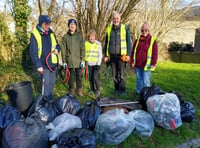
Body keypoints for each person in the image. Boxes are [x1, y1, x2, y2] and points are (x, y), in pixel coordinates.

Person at [29, 15, 61, 100]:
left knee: (51, 82)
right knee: (45, 84)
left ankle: (50, 98)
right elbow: (33, 52)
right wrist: (38, 65)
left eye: (49, 24)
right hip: (43, 64)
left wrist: (57, 49)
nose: (48, 25)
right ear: (41, 24)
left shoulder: (51, 33)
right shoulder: (35, 34)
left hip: (52, 64)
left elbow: (57, 45)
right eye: (46, 24)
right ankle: (45, 101)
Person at [104, 11, 132, 96]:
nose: (116, 20)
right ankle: (116, 89)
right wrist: (105, 55)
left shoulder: (124, 28)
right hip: (112, 56)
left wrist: (128, 55)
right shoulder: (109, 29)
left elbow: (129, 42)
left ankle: (122, 90)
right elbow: (106, 43)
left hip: (122, 56)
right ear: (112, 19)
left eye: (117, 18)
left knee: (122, 75)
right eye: (114, 18)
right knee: (114, 75)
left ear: (120, 19)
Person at [130, 22, 158, 96]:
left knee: (146, 81)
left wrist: (153, 63)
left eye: (146, 30)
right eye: (142, 30)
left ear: (149, 31)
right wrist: (132, 61)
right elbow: (133, 52)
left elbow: (155, 53)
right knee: (139, 80)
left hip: (147, 65)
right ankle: (138, 93)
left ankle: (146, 95)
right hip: (138, 65)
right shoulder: (137, 41)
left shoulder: (152, 41)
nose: (144, 32)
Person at [61, 18, 85, 96]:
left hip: (78, 60)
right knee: (70, 76)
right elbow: (63, 50)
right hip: (69, 60)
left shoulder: (79, 37)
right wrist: (64, 61)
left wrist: (82, 60)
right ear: (69, 26)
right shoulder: (65, 37)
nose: (72, 26)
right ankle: (71, 89)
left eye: (74, 25)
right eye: (71, 25)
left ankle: (79, 90)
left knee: (78, 76)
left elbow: (82, 48)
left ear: (76, 26)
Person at [84, 29, 102, 97]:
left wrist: (98, 64)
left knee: (95, 77)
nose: (91, 38)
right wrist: (84, 61)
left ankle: (97, 90)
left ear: (95, 36)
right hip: (89, 64)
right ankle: (92, 89)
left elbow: (100, 55)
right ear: (88, 37)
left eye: (93, 36)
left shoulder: (98, 44)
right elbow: (84, 53)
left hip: (96, 64)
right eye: (90, 36)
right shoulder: (86, 44)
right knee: (90, 78)